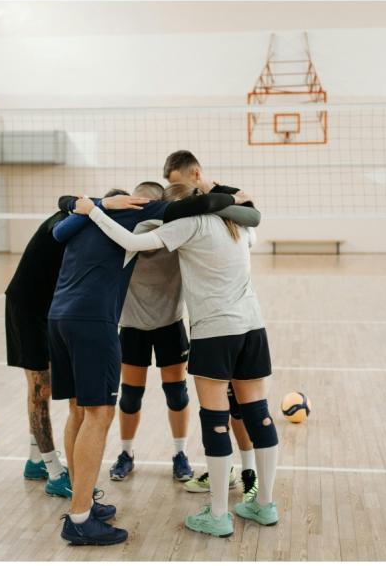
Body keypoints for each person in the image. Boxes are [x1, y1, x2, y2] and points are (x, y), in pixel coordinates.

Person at [74, 183, 279, 538]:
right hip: (253, 326)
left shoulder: (190, 223)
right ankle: (264, 505)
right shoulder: (237, 225)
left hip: (215, 330)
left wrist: (92, 211)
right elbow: (254, 227)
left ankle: (218, 514)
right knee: (258, 414)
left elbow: (134, 244)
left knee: (215, 420)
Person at [108, 182, 261, 488]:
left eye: (153, 205)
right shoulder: (125, 242)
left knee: (176, 395)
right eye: (140, 205)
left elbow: (245, 221)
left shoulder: (177, 237)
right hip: (133, 328)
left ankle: (179, 455)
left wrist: (216, 191)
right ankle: (125, 454)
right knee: (130, 397)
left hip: (171, 326)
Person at [3, 187, 130, 498]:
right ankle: (53, 469)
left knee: (56, 389)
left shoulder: (97, 226)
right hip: (28, 306)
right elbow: (64, 203)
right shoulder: (70, 218)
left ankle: (35, 460)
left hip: (57, 309)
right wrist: (94, 205)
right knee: (40, 387)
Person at [161, 150, 259, 500]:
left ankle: (247, 473)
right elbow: (171, 210)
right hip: (221, 320)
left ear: (196, 174)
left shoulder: (227, 207)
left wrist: (220, 202)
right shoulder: (198, 210)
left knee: (234, 406)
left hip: (228, 323)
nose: (176, 193)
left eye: (177, 184)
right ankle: (228, 471)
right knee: (223, 406)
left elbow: (254, 219)